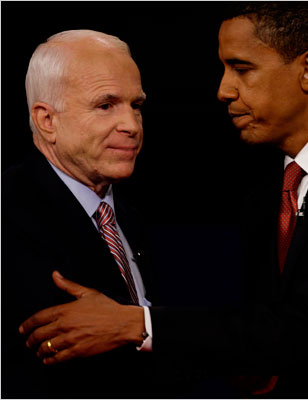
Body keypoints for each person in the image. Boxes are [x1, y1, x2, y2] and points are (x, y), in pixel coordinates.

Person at [19, 4, 308, 397]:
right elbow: (263, 340)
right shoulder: (264, 200)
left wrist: (137, 324)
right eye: (106, 105)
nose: (223, 90)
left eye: (242, 68)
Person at [1, 30, 157, 397]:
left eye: (136, 105)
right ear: (47, 120)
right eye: (106, 105)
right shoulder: (8, 213)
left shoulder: (129, 218)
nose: (132, 126)